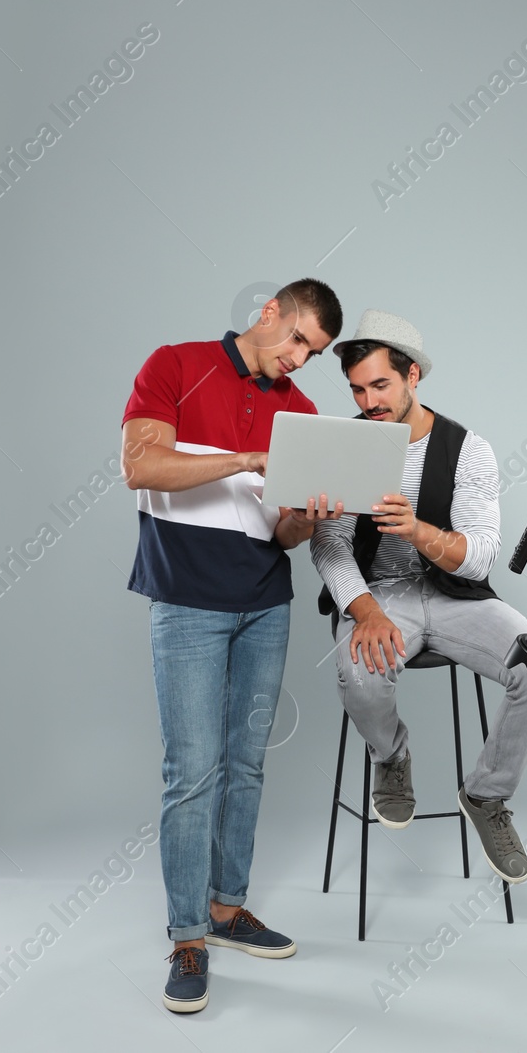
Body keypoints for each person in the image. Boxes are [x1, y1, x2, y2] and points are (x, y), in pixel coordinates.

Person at [120, 278, 346, 1014]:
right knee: (192, 769)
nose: (301, 359)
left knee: (245, 763)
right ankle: (186, 935)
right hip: (185, 601)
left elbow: (282, 530)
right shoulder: (176, 365)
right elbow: (141, 467)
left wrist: (307, 517)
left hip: (264, 605)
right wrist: (246, 458)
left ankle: (227, 908)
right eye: (298, 339)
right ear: (268, 312)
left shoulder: (303, 410)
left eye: (313, 352)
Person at [309, 309, 527, 885]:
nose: (368, 401)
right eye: (357, 388)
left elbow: (477, 560)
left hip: (455, 596)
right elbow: (330, 551)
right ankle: (391, 757)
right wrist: (365, 611)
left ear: (413, 376)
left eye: (380, 385)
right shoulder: (347, 443)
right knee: (361, 671)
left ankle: (486, 795)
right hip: (379, 594)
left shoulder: (469, 449)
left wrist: (417, 529)